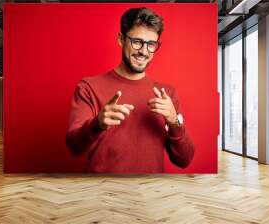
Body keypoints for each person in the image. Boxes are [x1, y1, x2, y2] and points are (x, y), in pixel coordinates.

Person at [65, 7, 195, 173]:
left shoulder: (166, 95)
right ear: (121, 40)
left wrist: (173, 122)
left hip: (149, 194)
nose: (143, 51)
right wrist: (97, 124)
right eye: (137, 42)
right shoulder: (88, 87)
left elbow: (184, 160)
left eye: (151, 44)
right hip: (101, 193)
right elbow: (73, 147)